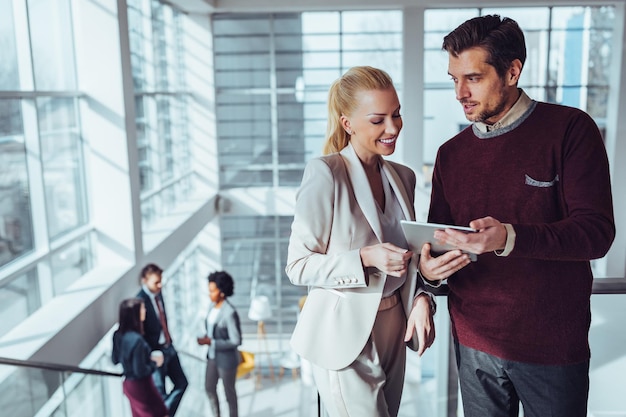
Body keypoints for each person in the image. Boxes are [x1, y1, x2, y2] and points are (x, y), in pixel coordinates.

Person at [419, 14, 616, 417]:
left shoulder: (570, 130)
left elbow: (596, 234)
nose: (460, 92)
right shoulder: (450, 155)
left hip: (552, 348)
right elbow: (438, 241)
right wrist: (429, 276)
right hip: (473, 344)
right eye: (454, 78)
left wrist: (508, 237)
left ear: (512, 71)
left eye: (472, 77)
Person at [285, 65, 436, 417]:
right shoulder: (326, 174)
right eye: (378, 119)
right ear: (347, 123)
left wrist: (421, 299)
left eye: (396, 115)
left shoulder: (404, 177)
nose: (393, 127)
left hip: (395, 325)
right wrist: (365, 258)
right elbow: (297, 265)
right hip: (344, 334)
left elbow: (410, 257)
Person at [137, 263, 188, 416]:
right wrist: (151, 354)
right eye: (156, 282)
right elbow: (140, 333)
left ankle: (165, 414)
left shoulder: (158, 294)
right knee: (160, 392)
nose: (160, 285)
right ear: (144, 280)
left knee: (182, 383)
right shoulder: (140, 302)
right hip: (155, 353)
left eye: (161, 281)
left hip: (168, 346)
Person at [112, 298, 169, 417]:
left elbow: (115, 360)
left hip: (128, 385)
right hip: (142, 386)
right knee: (160, 412)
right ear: (134, 314)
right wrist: (154, 363)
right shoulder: (137, 340)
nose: (145, 310)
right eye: (142, 308)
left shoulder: (117, 335)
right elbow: (140, 370)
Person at [197, 270, 242, 417]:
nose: (209, 294)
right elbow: (212, 330)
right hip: (212, 357)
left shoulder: (230, 312)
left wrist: (212, 342)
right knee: (209, 388)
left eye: (212, 291)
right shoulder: (212, 307)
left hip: (226, 360)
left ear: (222, 292)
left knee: (229, 393)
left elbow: (236, 340)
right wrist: (206, 338)